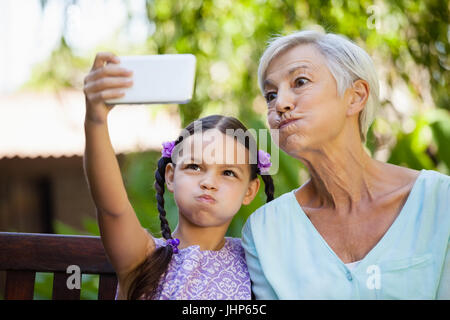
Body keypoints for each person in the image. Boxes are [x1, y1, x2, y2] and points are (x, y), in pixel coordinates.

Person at [242, 30, 450, 299]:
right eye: (270, 95)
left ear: (355, 96)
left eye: (300, 81)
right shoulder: (264, 232)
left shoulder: (440, 200)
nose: (280, 104)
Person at [83, 52, 275, 299]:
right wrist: (96, 118)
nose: (208, 183)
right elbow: (112, 208)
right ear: (171, 176)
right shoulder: (142, 257)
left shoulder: (257, 264)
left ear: (249, 190)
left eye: (228, 172)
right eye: (194, 167)